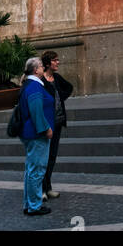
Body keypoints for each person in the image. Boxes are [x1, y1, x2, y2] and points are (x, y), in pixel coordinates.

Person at [19, 55, 54, 217]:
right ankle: (34, 206)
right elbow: (36, 111)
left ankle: (29, 203)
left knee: (31, 170)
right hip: (36, 134)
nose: (42, 68)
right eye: (40, 66)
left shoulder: (30, 84)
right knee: (37, 170)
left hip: (30, 132)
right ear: (35, 70)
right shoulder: (34, 86)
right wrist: (46, 129)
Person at [41, 50, 73, 199]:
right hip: (46, 124)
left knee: (52, 156)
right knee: (43, 157)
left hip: (58, 121)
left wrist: (59, 99)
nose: (58, 62)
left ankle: (48, 188)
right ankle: (41, 189)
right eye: (55, 60)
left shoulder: (57, 78)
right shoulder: (41, 80)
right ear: (47, 63)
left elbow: (69, 88)